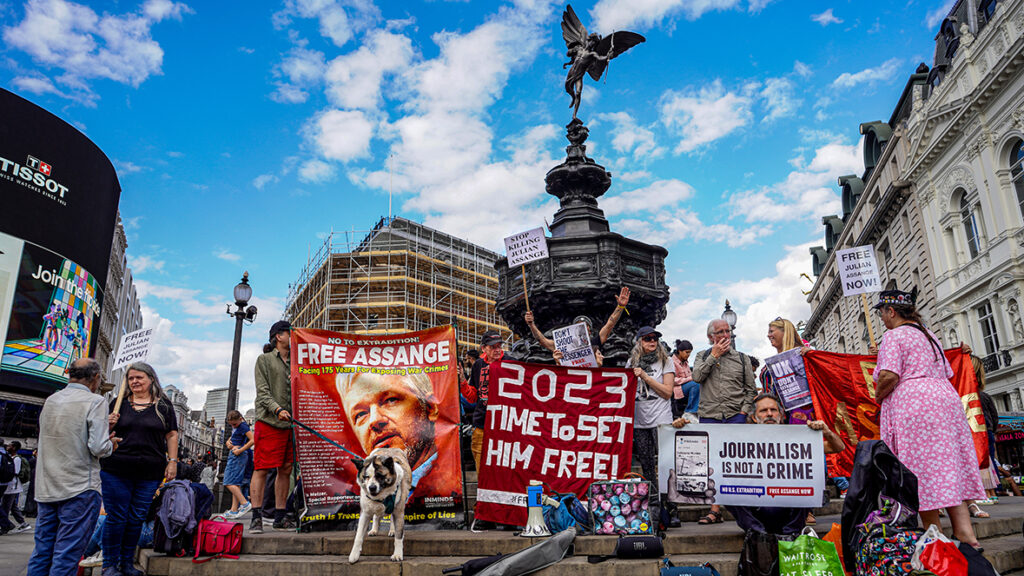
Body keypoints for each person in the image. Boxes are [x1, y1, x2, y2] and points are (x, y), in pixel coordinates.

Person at [872, 288, 985, 549]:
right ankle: (967, 534)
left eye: (881, 312)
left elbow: (890, 375)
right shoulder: (929, 335)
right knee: (947, 466)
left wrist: (878, 397)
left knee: (919, 469)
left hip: (915, 403)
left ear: (891, 311)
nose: (881, 318)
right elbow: (945, 369)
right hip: (945, 399)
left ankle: (934, 535)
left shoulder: (893, 336)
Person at [672, 393, 844, 535]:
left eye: (773, 410)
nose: (769, 414)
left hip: (789, 507)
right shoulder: (741, 440)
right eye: (763, 411)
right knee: (724, 481)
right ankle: (757, 533)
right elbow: (700, 453)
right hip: (756, 509)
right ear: (754, 417)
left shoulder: (796, 438)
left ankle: (791, 532)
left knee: (813, 474)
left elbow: (838, 447)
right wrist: (682, 430)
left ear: (781, 415)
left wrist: (827, 431)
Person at [27, 358, 118, 576]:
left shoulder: (52, 400)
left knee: (42, 551)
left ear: (70, 374)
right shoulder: (96, 402)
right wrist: (111, 444)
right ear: (96, 378)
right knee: (66, 554)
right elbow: (98, 447)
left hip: (47, 487)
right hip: (79, 488)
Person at [101, 362, 178, 576]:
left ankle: (127, 563)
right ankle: (109, 564)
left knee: (136, 518)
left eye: (139, 377)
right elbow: (101, 435)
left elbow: (172, 434)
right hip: (116, 469)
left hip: (149, 472)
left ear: (151, 379)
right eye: (131, 378)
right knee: (116, 517)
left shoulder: (163, 406)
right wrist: (107, 424)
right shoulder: (118, 403)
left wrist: (172, 461)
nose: (134, 381)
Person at [338, 370, 461, 499]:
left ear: (430, 407)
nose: (374, 420)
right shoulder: (361, 495)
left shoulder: (448, 482)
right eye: (361, 414)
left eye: (390, 400)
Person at [691, 318, 757, 524]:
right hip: (710, 416)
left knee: (738, 463)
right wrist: (714, 356)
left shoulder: (742, 358)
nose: (725, 335)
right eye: (720, 332)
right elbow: (696, 377)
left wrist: (744, 413)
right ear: (711, 336)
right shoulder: (702, 355)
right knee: (713, 465)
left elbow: (751, 390)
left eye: (727, 331)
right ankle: (715, 509)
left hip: (735, 416)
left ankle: (745, 509)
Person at [626, 326, 675, 527]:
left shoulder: (665, 361)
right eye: (647, 339)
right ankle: (654, 507)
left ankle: (672, 508)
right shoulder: (631, 363)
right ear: (639, 342)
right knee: (647, 466)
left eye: (654, 338)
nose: (652, 342)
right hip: (640, 420)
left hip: (660, 419)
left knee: (665, 465)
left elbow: (667, 392)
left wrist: (645, 377)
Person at [250, 320, 295, 533]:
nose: (294, 336)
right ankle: (256, 517)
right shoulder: (264, 360)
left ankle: (280, 515)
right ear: (279, 336)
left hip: (290, 425)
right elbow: (263, 392)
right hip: (269, 421)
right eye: (290, 332)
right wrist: (277, 409)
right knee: (262, 468)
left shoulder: (297, 362)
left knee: (285, 469)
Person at [524, 287, 631, 357]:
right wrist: (531, 324)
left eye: (585, 326)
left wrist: (620, 306)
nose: (582, 328)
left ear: (590, 330)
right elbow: (542, 340)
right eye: (578, 325)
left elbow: (609, 324)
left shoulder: (594, 343)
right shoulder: (563, 345)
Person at [469, 330, 503, 532]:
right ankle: (485, 514)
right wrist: (463, 382)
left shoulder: (511, 362)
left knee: (503, 472)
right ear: (484, 349)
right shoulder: (478, 365)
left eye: (499, 345)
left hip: (505, 427)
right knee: (483, 474)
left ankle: (505, 513)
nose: (497, 349)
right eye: (493, 347)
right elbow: (473, 396)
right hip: (482, 425)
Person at [222, 411, 254, 520]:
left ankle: (244, 504)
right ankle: (234, 510)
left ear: (240, 419)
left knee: (228, 482)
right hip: (237, 453)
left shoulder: (243, 426)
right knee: (235, 483)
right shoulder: (239, 426)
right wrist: (228, 442)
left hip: (237, 455)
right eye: (231, 424)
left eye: (234, 424)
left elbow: (252, 440)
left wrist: (240, 450)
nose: (233, 426)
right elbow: (232, 437)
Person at [1, 441, 32, 533]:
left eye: (10, 445)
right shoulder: (9, 457)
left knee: (6, 506)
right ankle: (23, 523)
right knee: (13, 507)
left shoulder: (16, 459)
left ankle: (5, 526)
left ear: (14, 448)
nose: (8, 447)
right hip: (9, 486)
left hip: (13, 487)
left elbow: (16, 472)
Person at [671, 340, 697, 421]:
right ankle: (690, 412)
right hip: (677, 390)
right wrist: (689, 378)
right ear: (680, 351)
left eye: (690, 353)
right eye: (687, 352)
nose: (689, 355)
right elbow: (672, 380)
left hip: (686, 388)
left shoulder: (685, 363)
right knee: (696, 384)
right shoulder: (671, 361)